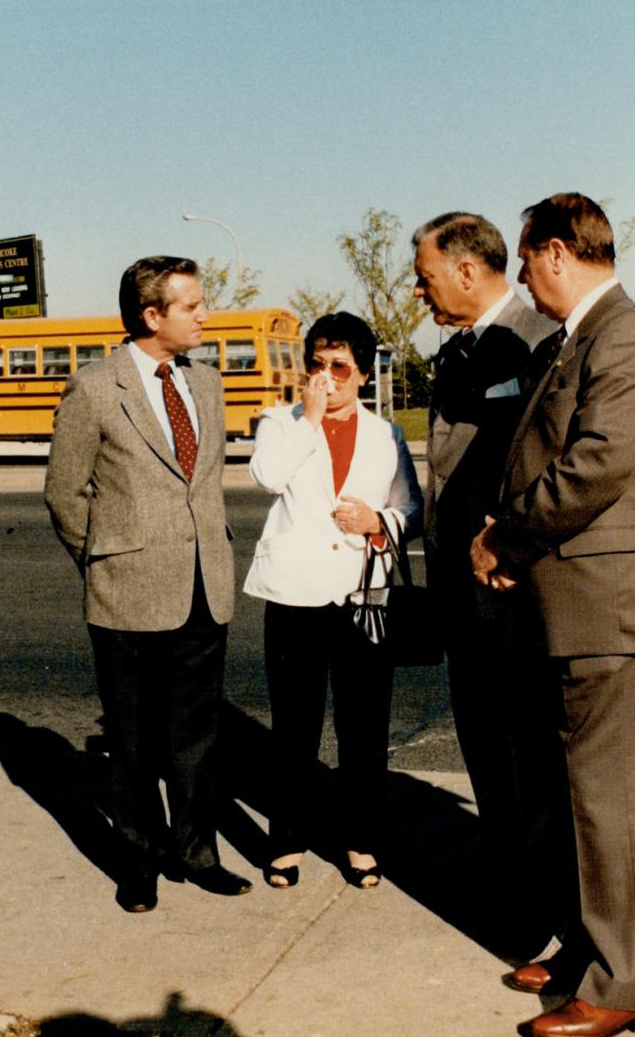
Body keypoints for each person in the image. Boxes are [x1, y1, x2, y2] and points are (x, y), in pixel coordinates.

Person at [469, 193, 635, 1037]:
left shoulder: (623, 334)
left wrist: (505, 539)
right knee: (572, 798)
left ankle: (622, 985)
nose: (521, 277)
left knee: (610, 804)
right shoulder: (577, 340)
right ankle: (586, 950)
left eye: (524, 261)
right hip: (567, 609)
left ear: (556, 252)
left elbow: (596, 465)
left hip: (605, 610)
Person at [45, 255, 252, 913]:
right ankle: (138, 861)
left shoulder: (209, 384)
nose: (205, 316)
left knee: (197, 737)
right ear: (151, 314)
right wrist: (105, 558)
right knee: (132, 742)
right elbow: (63, 494)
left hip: (203, 585)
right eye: (191, 306)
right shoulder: (96, 387)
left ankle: (196, 852)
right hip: (126, 592)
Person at [411, 212, 574, 960]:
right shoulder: (459, 350)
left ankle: (538, 909)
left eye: (426, 275)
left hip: (513, 588)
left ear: (468, 271)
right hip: (461, 590)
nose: (419, 291)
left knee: (529, 757)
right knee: (485, 747)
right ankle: (509, 879)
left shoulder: (539, 342)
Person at [241, 312, 421, 890]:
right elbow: (267, 475)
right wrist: (310, 421)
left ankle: (360, 840)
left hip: (362, 594)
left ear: (363, 374)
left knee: (363, 730)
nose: (326, 377)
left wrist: (379, 520)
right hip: (294, 594)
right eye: (316, 365)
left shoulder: (386, 435)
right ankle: (286, 841)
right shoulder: (281, 421)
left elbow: (412, 510)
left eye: (338, 367)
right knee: (294, 728)